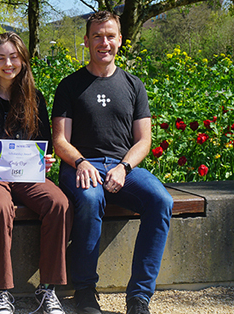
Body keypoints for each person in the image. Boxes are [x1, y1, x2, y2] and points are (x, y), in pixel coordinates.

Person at [51, 11, 173, 314]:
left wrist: (124, 168)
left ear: (120, 40)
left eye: (109, 36)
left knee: (161, 199)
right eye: (97, 36)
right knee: (91, 200)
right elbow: (60, 140)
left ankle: (139, 298)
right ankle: (84, 290)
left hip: (123, 168)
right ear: (87, 40)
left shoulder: (134, 85)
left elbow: (144, 140)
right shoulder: (70, 85)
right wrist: (80, 162)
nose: (103, 42)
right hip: (81, 167)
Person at [0, 32, 72, 314]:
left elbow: (45, 143)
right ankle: (2, 291)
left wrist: (46, 161)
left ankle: (48, 288)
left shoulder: (36, 98)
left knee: (58, 203)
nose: (7, 63)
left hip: (27, 174)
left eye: (13, 57)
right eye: (1, 58)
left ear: (23, 60)